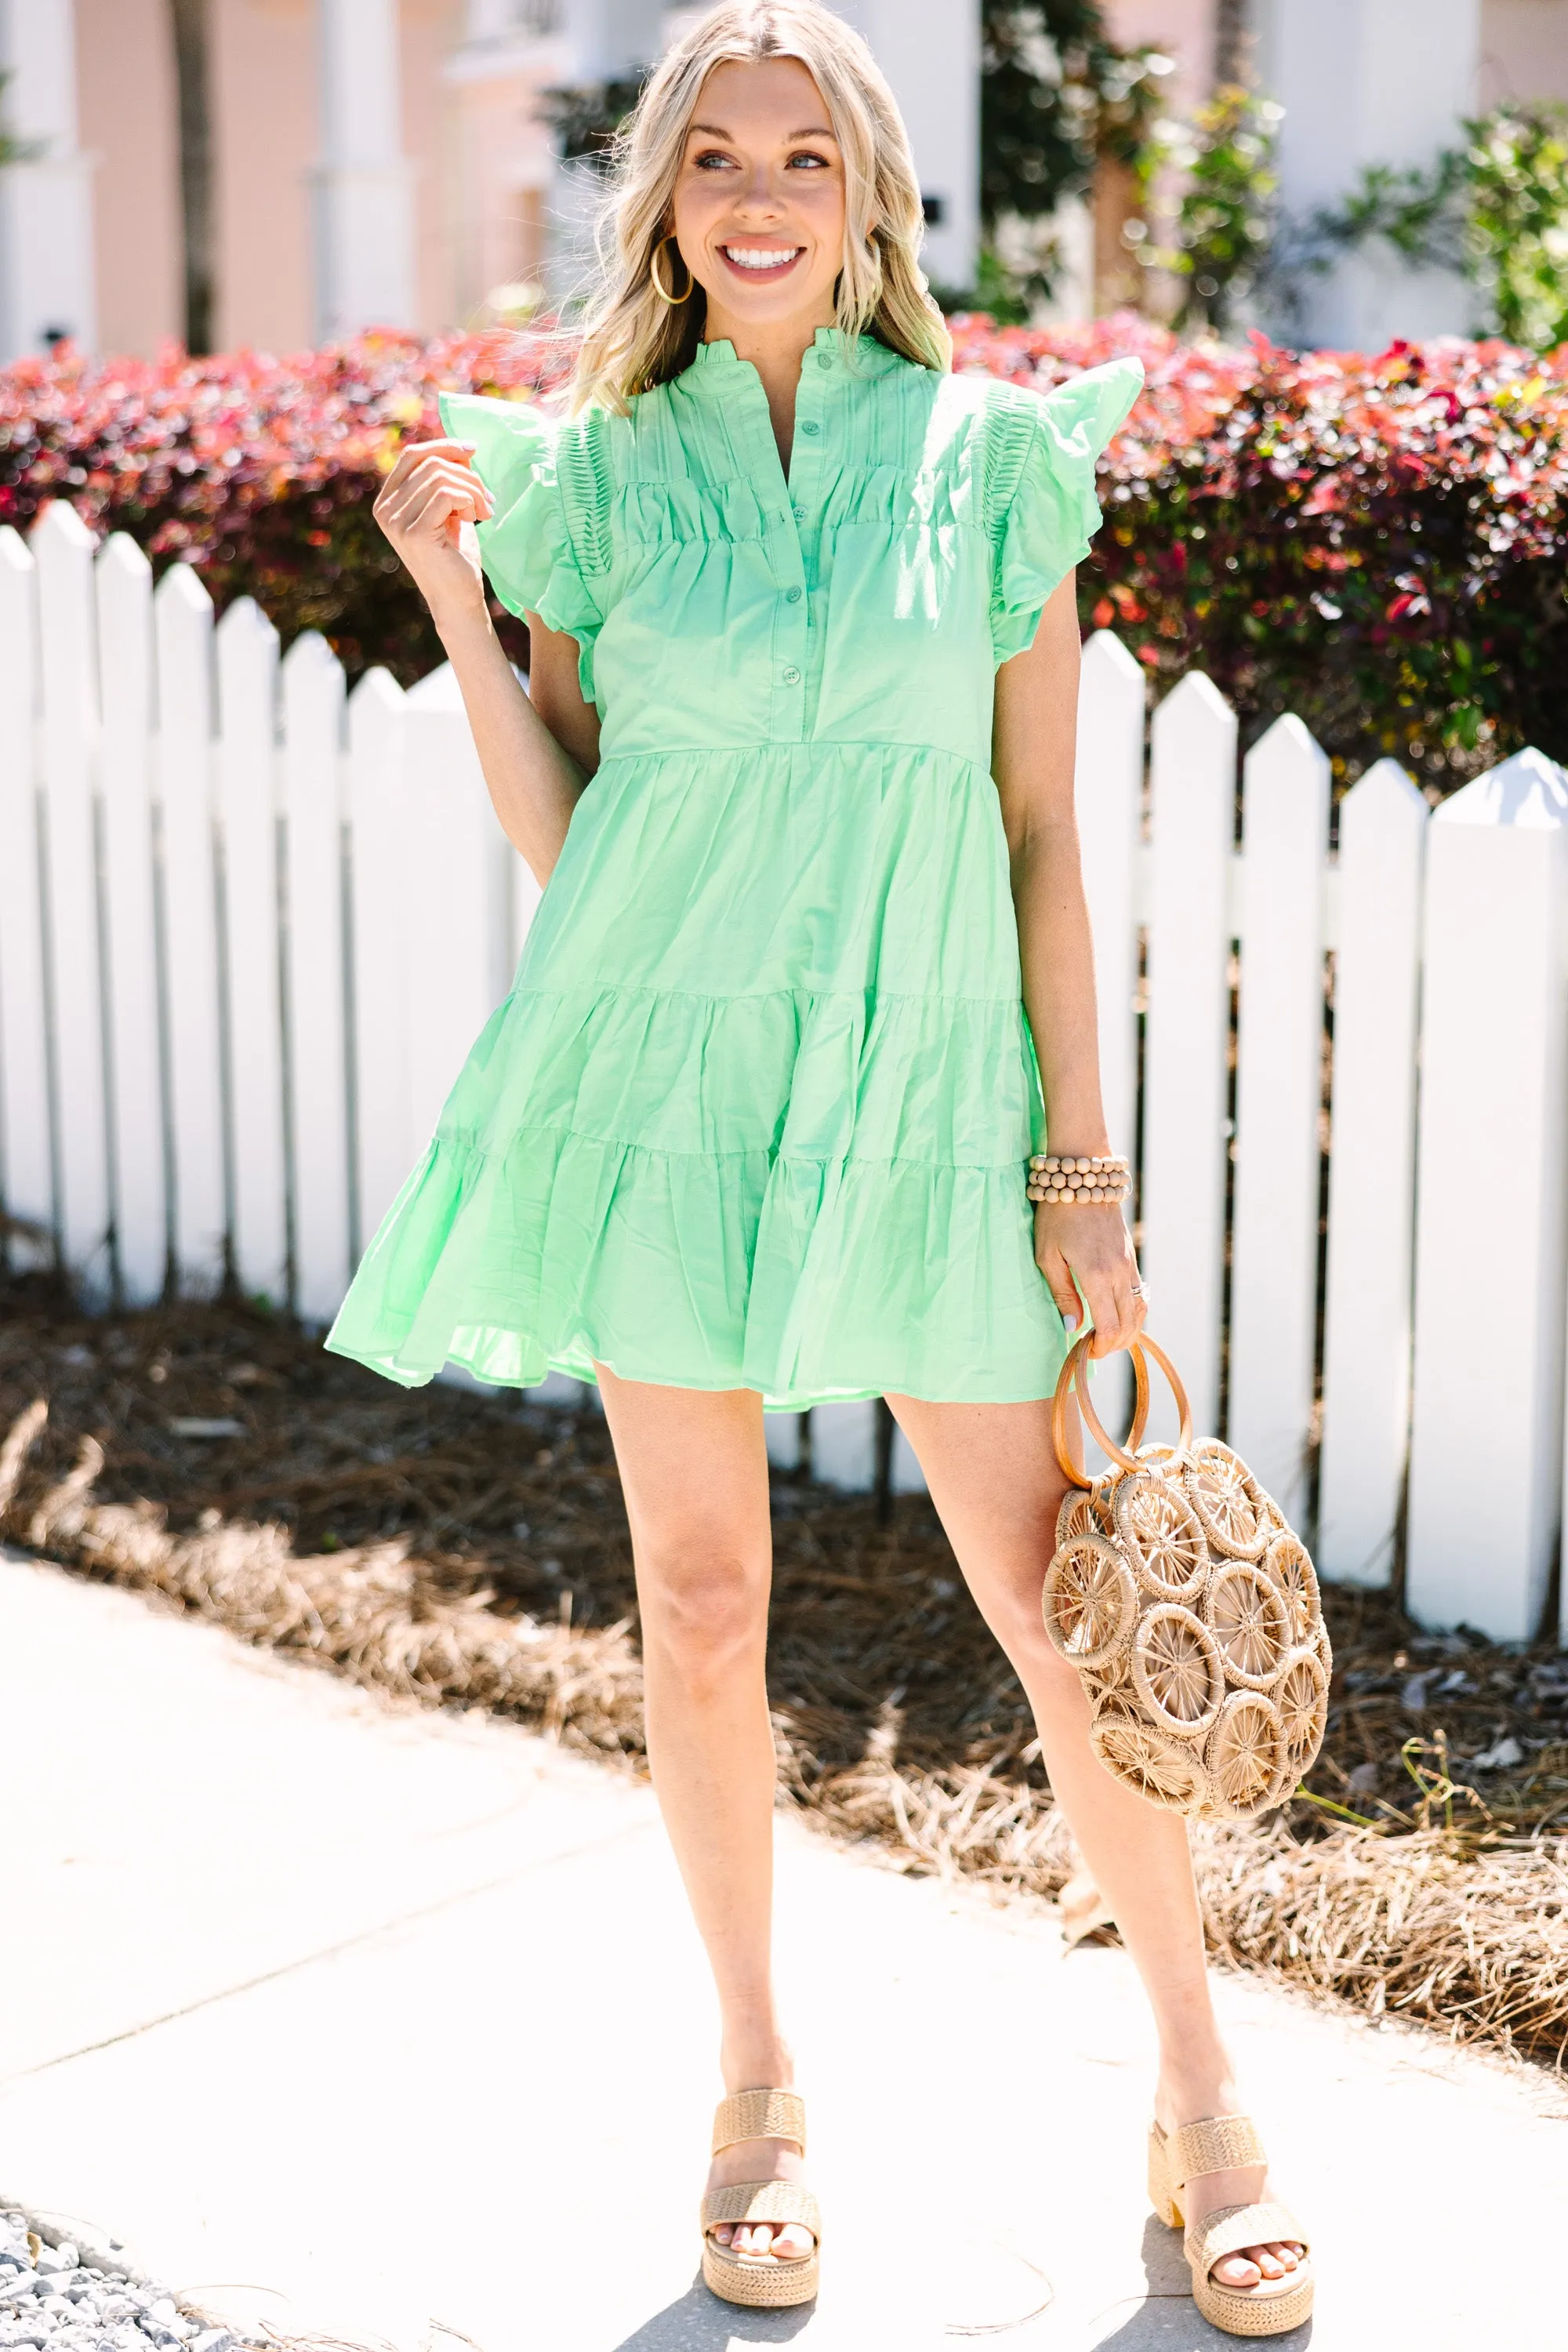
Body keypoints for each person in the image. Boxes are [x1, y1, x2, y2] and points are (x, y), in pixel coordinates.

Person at [327, 2, 1311, 2332]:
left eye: (803, 158)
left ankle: (1202, 2100)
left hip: (935, 1100)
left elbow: (1047, 828)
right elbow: (581, 840)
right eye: (714, 159)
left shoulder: (989, 462)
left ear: (872, 197)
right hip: (660, 1089)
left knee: (1074, 1625)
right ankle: (758, 2087)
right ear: (663, 200)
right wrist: (465, 609)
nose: (758, 199)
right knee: (698, 1606)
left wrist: (1083, 1172)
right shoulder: (588, 474)